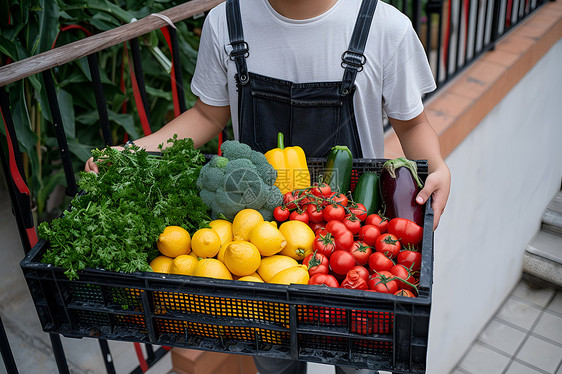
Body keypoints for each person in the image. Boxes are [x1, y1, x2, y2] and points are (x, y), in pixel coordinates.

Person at [86, 0, 450, 372]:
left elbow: (412, 125)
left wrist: (437, 167)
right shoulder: (226, 22)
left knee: (357, 361)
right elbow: (207, 114)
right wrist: (133, 152)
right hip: (261, 243)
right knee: (275, 362)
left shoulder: (385, 27)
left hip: (354, 238)